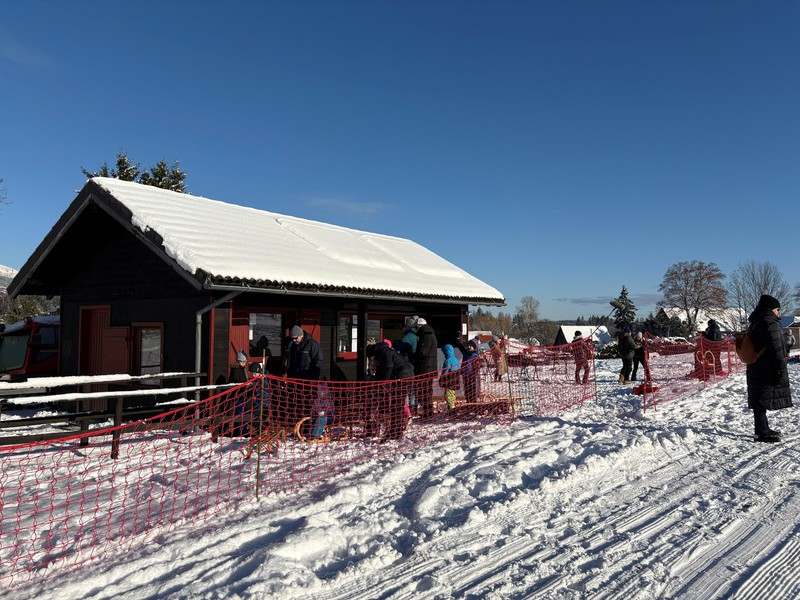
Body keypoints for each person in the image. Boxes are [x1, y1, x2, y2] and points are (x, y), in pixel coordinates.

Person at [746, 294, 792, 443]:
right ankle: (761, 432)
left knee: (760, 398)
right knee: (762, 398)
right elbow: (776, 349)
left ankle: (763, 428)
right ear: (772, 309)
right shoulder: (769, 323)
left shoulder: (755, 321)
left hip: (756, 366)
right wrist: (781, 369)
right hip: (767, 367)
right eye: (777, 309)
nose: (778, 313)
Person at [366, 341, 414, 440]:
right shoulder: (383, 351)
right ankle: (395, 430)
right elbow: (383, 369)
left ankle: (395, 431)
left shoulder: (384, 351)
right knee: (396, 405)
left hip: (402, 377)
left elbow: (389, 366)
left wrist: (384, 381)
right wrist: (379, 381)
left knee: (397, 405)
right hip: (402, 376)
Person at [284, 325, 324, 431]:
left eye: (296, 338)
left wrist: (313, 377)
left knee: (308, 406)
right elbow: (291, 363)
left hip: (308, 382)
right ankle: (299, 428)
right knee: (297, 405)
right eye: (293, 338)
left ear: (301, 336)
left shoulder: (312, 345)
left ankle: (308, 428)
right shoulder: (292, 346)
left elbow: (318, 361)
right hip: (295, 382)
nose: (294, 340)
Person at [413, 317, 438, 419]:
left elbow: (423, 352)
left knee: (424, 392)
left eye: (416, 327)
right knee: (427, 391)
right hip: (429, 368)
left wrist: (413, 355)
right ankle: (428, 412)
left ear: (420, 326)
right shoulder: (430, 335)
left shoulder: (426, 336)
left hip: (425, 368)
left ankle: (428, 412)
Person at [439, 344, 461, 410]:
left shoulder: (448, 360)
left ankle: (452, 409)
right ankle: (452, 407)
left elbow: (445, 371)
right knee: (452, 395)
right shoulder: (456, 359)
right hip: (455, 380)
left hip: (449, 381)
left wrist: (441, 379)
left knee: (448, 395)